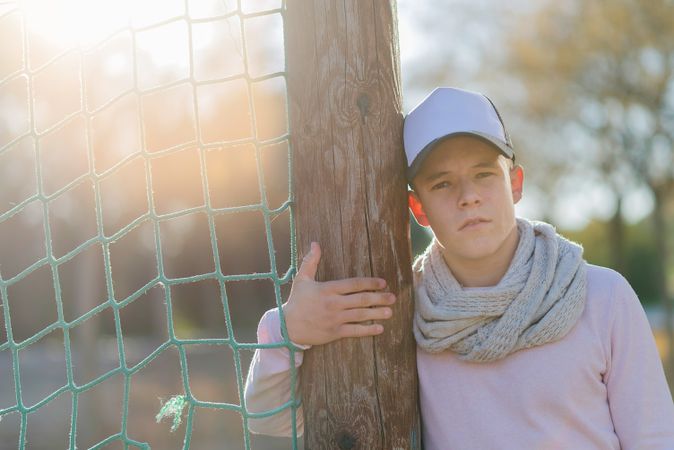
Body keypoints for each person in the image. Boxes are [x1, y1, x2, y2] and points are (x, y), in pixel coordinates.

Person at [244, 87, 674, 449]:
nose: (468, 196)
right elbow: (269, 418)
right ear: (419, 208)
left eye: (485, 174)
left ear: (516, 183)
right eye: (442, 183)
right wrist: (289, 329)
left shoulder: (602, 296)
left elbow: (654, 438)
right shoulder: (403, 309)